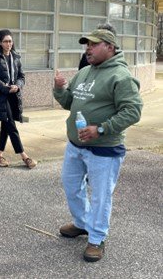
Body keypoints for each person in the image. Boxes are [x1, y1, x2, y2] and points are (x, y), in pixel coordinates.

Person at [53, 23, 142, 262]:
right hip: (75, 146)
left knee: (101, 195)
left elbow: (133, 111)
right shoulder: (85, 72)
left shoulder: (121, 76)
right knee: (72, 187)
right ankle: (83, 224)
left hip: (104, 149)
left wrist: (101, 129)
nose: (88, 49)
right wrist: (60, 89)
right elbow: (70, 102)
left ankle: (97, 238)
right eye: (87, 45)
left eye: (93, 44)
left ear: (110, 47)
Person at [0, 29, 37, 169]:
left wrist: (17, 86)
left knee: (6, 126)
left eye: (10, 41)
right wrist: (7, 88)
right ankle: (24, 156)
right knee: (11, 125)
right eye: (6, 41)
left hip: (14, 96)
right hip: (0, 96)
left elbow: (21, 76)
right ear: (0, 43)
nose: (8, 44)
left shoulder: (16, 57)